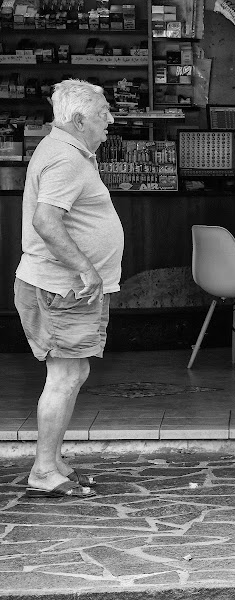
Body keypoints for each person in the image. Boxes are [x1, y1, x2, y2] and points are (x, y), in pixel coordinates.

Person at [15, 79, 121, 498]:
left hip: (61, 287)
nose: (109, 119)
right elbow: (46, 221)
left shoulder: (66, 149)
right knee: (65, 374)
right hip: (64, 288)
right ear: (78, 120)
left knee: (72, 372)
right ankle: (43, 469)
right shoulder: (66, 158)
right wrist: (87, 270)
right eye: (101, 113)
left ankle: (53, 458)